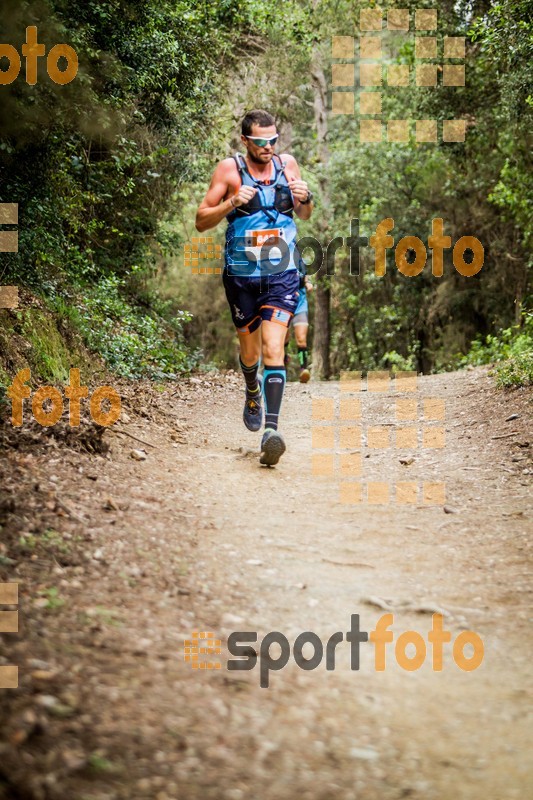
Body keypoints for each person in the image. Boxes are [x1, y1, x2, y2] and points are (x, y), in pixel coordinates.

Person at [195, 109, 314, 466]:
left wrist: (305, 198)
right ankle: (251, 389)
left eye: (273, 140)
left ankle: (270, 433)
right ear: (245, 140)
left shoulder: (287, 164)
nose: (269, 147)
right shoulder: (228, 170)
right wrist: (232, 202)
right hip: (242, 275)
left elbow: (305, 214)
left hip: (282, 271)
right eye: (261, 142)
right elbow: (201, 220)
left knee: (273, 348)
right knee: (250, 353)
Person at [284, 275, 313, 383]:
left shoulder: (301, 263)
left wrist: (308, 282)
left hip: (300, 306)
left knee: (301, 339)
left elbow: (306, 276)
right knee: (284, 339)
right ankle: (282, 366)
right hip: (283, 304)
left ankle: (303, 369)